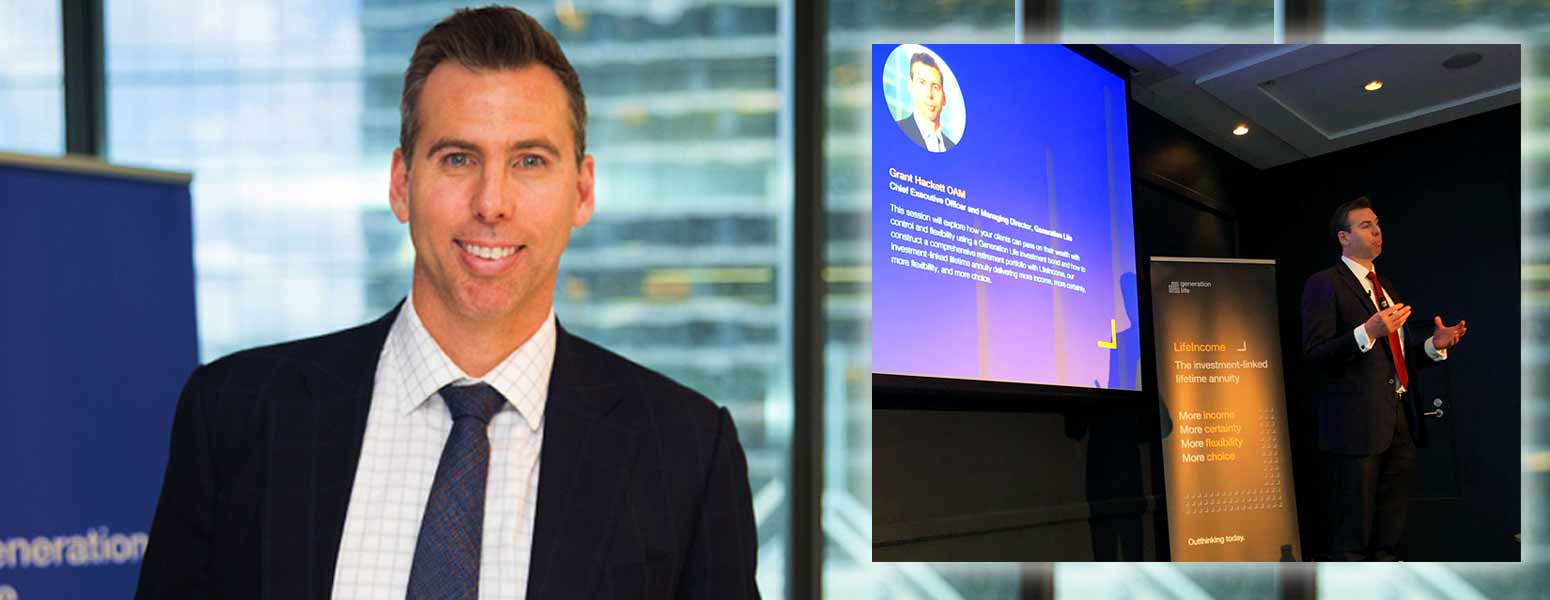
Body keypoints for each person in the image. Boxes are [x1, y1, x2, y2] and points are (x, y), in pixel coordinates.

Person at [135, 7, 760, 599]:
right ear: (401, 183)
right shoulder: (237, 415)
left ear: (582, 191)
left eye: (530, 161)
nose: (491, 203)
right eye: (458, 158)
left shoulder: (685, 451)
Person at [1300, 196, 1467, 561]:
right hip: (1354, 427)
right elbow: (1315, 353)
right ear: (1344, 237)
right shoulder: (1324, 283)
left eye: (1377, 224)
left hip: (1399, 418)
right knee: (1353, 531)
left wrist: (1433, 346)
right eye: (1366, 225)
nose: (1377, 231)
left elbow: (1394, 359)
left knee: (1390, 525)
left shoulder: (1385, 286)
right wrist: (1367, 331)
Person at [895, 52, 955, 152]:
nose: (929, 94)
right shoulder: (896, 131)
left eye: (935, 87)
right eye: (922, 83)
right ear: (911, 86)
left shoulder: (952, 147)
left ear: (944, 98)